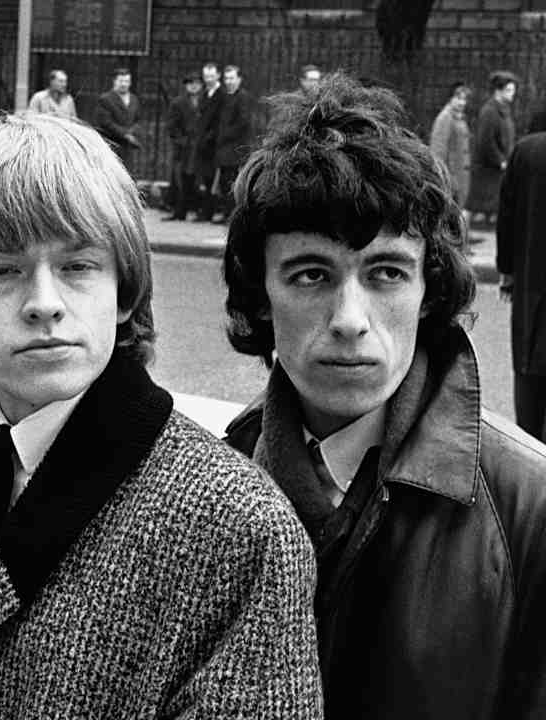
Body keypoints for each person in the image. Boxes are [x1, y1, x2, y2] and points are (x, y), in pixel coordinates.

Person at [0, 113, 322, 719]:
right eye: (4, 270)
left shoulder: (238, 526)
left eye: (78, 266)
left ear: (125, 292)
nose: (45, 305)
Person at [223, 73, 546, 720]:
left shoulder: (528, 509)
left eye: (386, 273)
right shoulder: (215, 483)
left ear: (429, 289)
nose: (350, 317)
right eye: (312, 273)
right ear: (261, 294)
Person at [497, 126, 546, 441]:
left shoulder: (527, 151)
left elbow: (508, 213)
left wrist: (508, 270)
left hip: (532, 281)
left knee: (529, 377)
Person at [468, 70, 518, 226]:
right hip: (487, 169)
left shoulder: (503, 110)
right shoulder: (489, 111)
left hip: (496, 170)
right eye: (509, 90)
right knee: (474, 206)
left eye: (513, 90)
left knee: (489, 208)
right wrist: (500, 160)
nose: (512, 94)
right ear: (498, 91)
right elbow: (485, 141)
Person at [214, 64, 254, 223]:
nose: (229, 81)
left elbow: (243, 122)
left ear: (239, 79)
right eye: (226, 78)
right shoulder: (225, 96)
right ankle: (227, 212)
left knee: (232, 181)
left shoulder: (242, 97)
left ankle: (232, 215)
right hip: (224, 148)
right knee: (225, 181)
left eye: (232, 78)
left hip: (235, 148)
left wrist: (224, 135)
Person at [164, 73, 202, 221]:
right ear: (186, 85)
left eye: (197, 82)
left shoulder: (205, 101)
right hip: (184, 149)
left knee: (200, 179)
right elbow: (172, 127)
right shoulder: (178, 102)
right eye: (190, 82)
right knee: (181, 180)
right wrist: (182, 140)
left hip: (201, 147)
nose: (194, 85)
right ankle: (179, 212)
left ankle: (200, 210)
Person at [430, 81, 472, 209]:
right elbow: (438, 150)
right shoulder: (445, 118)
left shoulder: (458, 117)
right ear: (450, 98)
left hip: (459, 175)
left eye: (464, 99)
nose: (462, 102)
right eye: (458, 98)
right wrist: (445, 178)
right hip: (451, 177)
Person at [194, 61, 224, 222]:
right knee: (205, 178)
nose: (209, 79)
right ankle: (205, 211)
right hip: (203, 143)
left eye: (212, 76)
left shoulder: (222, 94)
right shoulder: (205, 93)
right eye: (206, 76)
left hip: (214, 144)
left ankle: (210, 211)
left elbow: (219, 121)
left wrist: (209, 137)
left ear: (218, 76)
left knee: (213, 179)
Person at [94, 67, 140, 168]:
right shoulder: (105, 99)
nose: (124, 84)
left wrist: (132, 132)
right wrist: (125, 134)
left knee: (128, 175)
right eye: (121, 81)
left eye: (127, 81)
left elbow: (137, 120)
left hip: (127, 147)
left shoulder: (134, 99)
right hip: (111, 145)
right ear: (114, 81)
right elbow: (105, 122)